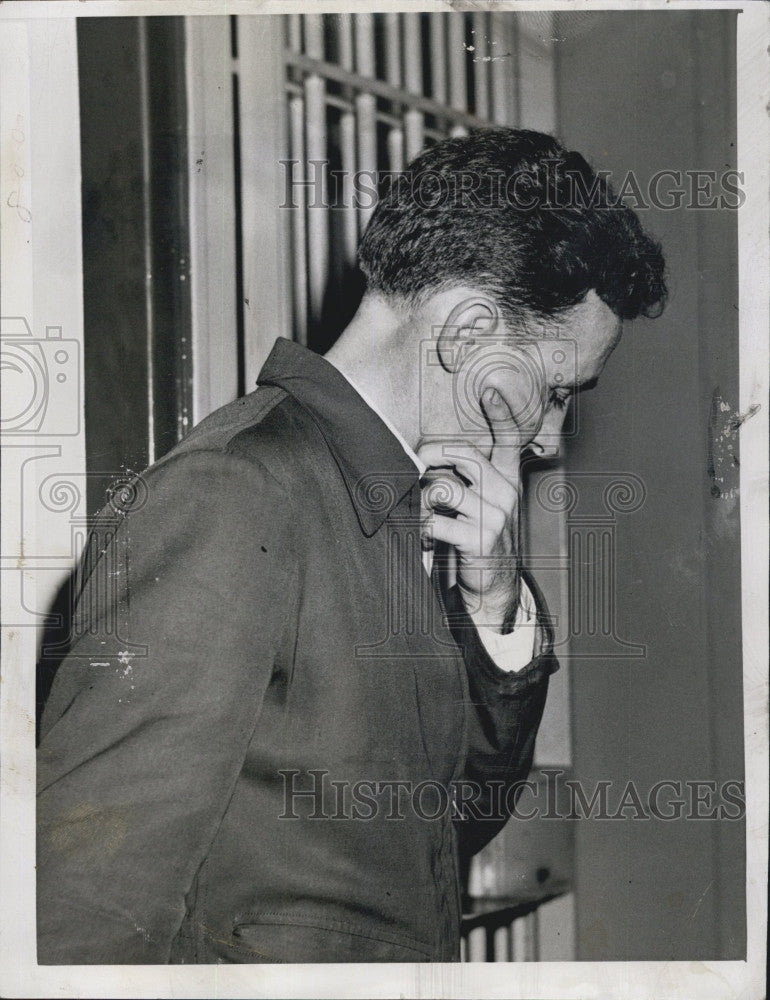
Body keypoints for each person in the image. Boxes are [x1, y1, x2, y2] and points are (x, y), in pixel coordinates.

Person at [37, 128, 666, 963]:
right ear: (467, 329)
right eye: (555, 390)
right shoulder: (236, 494)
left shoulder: (386, 501)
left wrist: (493, 602)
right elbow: (87, 902)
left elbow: (441, 837)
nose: (550, 436)